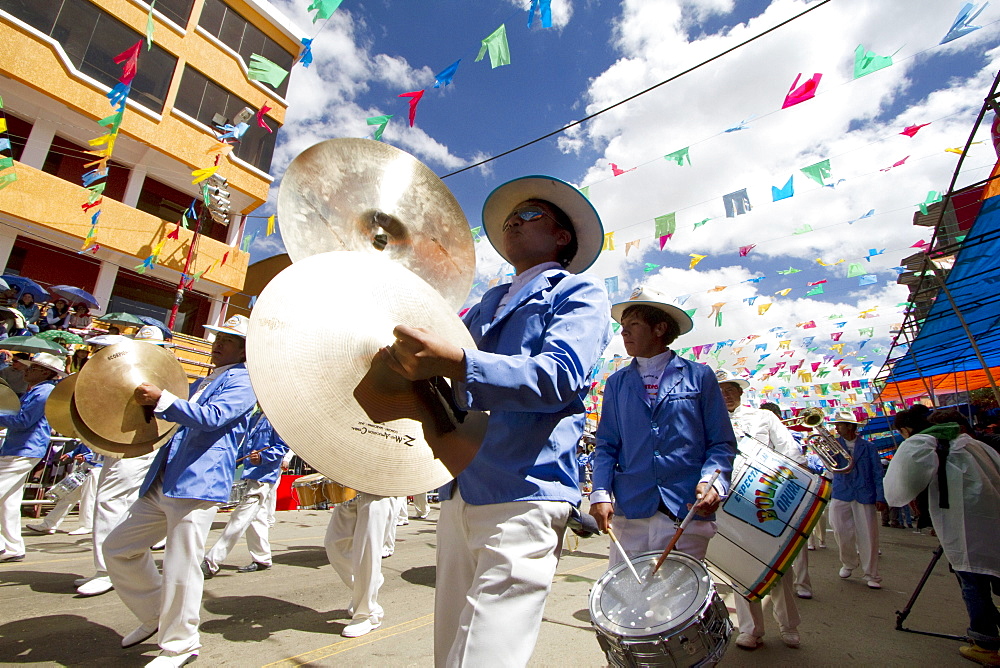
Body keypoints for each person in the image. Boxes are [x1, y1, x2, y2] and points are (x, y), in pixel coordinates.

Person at [380, 175, 610, 666]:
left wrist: (460, 361)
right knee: (450, 651)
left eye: (528, 216)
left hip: (525, 488)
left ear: (561, 237)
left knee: (486, 656)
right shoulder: (484, 303)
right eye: (509, 219)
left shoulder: (579, 292)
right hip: (461, 485)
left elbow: (560, 377)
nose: (512, 224)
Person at [103, 315, 256, 667]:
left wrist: (162, 399)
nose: (217, 344)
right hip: (165, 479)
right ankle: (156, 614)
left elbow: (212, 417)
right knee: (118, 548)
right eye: (218, 337)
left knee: (182, 564)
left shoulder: (246, 380)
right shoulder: (207, 378)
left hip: (197, 482)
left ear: (245, 350)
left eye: (228, 341)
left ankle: (180, 644)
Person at [589, 286, 736, 566]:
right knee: (627, 602)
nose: (624, 333)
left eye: (633, 325)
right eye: (622, 326)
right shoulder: (616, 383)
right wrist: (599, 493)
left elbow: (721, 442)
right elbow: (606, 445)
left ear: (659, 329)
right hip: (631, 511)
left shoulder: (700, 376)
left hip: (686, 510)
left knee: (679, 606)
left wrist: (712, 483)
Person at [885, 407, 1000, 666]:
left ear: (906, 431)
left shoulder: (926, 445)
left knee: (972, 582)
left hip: (965, 525)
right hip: (991, 520)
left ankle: (985, 643)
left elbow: (900, 489)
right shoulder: (973, 444)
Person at [75, 327, 174, 597]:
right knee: (121, 503)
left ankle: (107, 571)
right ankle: (119, 568)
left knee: (110, 501)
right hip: (126, 442)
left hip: (137, 443)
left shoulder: (154, 375)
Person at [718, 369, 805, 650]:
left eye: (730, 389)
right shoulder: (708, 421)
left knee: (780, 566)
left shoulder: (764, 417)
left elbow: (790, 450)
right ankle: (750, 629)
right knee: (740, 567)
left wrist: (778, 483)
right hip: (729, 502)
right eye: (719, 390)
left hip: (766, 498)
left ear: (741, 392)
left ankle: (788, 625)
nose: (725, 395)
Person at [202, 412, 289, 576]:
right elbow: (245, 447)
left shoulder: (276, 418)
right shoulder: (255, 418)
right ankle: (262, 558)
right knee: (257, 517)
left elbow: (283, 447)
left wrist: (263, 456)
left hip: (263, 476)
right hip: (252, 474)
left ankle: (212, 561)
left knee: (240, 518)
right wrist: (234, 462)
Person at [0, 352, 65, 562]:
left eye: (32, 368)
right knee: (9, 501)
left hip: (23, 449)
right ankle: (12, 546)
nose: (26, 370)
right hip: (21, 448)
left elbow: (22, 421)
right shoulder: (38, 391)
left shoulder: (43, 392)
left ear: (45, 372)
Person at [324, 491, 396, 637]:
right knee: (334, 543)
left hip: (380, 486)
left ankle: (367, 613)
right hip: (350, 483)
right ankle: (367, 586)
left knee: (367, 550)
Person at [828, 409, 886, 589]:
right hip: (842, 492)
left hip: (864, 493)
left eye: (840, 424)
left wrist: (880, 496)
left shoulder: (869, 447)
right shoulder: (833, 444)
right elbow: (829, 464)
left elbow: (878, 472)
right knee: (839, 530)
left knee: (868, 534)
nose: (837, 428)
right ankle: (849, 562)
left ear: (850, 426)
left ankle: (871, 574)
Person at [26, 443, 99, 536]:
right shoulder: (88, 436)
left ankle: (87, 525)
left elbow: (104, 453)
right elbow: (82, 447)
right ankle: (49, 524)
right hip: (85, 468)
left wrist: (86, 457)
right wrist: (70, 454)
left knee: (88, 497)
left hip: (95, 468)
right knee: (68, 497)